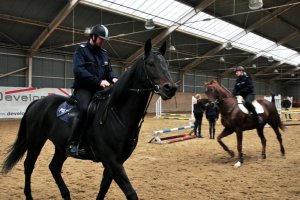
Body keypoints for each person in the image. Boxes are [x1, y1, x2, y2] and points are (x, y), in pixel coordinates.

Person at [66, 24, 118, 156]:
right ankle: (73, 142)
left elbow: (109, 71)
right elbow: (79, 71)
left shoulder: (104, 54)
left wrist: (114, 79)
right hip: (84, 88)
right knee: (84, 109)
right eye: (101, 39)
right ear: (93, 37)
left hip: (99, 90)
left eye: (104, 40)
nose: (102, 42)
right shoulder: (81, 50)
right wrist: (99, 81)